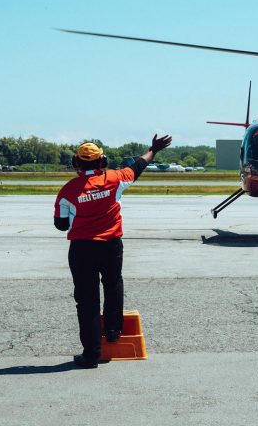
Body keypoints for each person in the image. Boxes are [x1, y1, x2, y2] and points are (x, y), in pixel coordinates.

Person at [54, 135, 172, 369]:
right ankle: (113, 329)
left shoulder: (68, 190)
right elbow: (138, 165)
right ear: (103, 161)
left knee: (86, 300)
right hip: (110, 244)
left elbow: (61, 224)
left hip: (82, 248)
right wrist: (153, 150)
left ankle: (91, 355)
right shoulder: (115, 179)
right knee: (113, 283)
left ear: (76, 163)